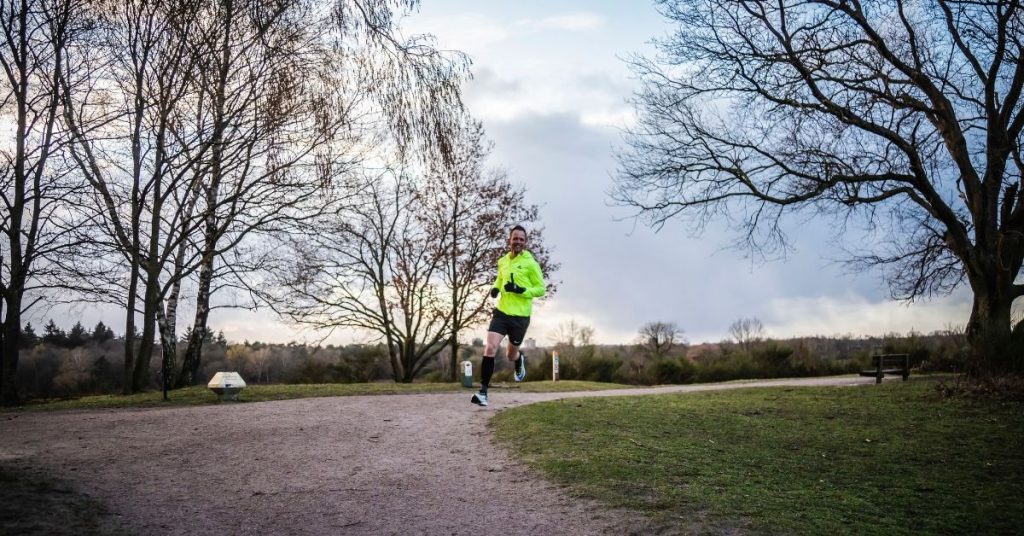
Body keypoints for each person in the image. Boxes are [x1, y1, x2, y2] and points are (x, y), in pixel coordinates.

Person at [471, 224, 546, 407]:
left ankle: (518, 358)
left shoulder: (531, 263)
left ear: (525, 242)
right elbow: (500, 278)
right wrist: (495, 288)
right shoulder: (503, 261)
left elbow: (541, 289)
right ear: (509, 240)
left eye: (521, 239)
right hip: (502, 312)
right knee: (490, 348)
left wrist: (521, 290)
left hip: (520, 317)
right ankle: (483, 393)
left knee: (510, 355)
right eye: (515, 238)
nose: (518, 242)